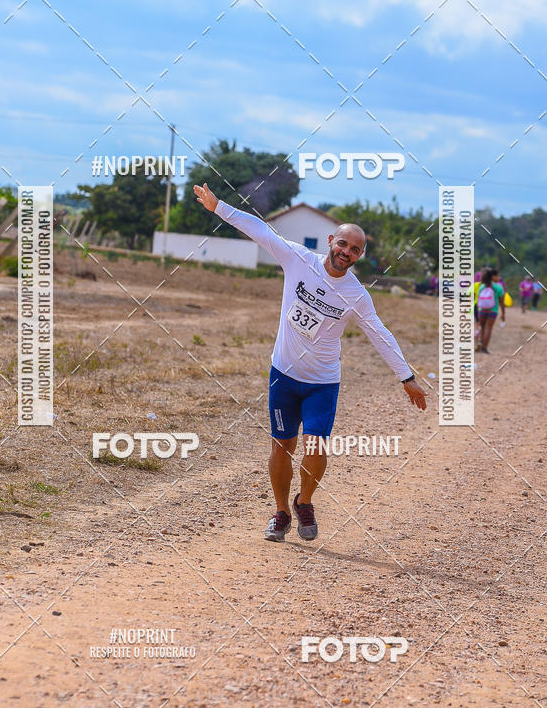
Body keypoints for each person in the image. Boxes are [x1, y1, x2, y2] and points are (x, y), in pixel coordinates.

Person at [193, 183, 427, 543]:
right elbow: (259, 230)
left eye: (355, 250)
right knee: (281, 446)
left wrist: (406, 377)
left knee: (316, 446)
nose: (346, 252)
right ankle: (282, 512)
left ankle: (305, 501)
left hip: (321, 383)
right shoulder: (298, 259)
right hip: (282, 374)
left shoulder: (357, 296)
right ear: (331, 240)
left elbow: (380, 334)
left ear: (359, 256)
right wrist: (218, 207)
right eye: (343, 244)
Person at [477, 267, 505, 353]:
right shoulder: (498, 287)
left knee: (481, 327)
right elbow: (501, 302)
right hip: (493, 310)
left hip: (482, 310)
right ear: (493, 276)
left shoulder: (482, 286)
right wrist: (503, 314)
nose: (499, 277)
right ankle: (484, 348)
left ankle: (479, 344)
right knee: (488, 328)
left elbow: (479, 298)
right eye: (498, 275)